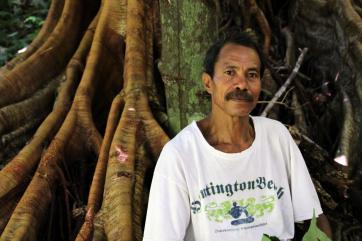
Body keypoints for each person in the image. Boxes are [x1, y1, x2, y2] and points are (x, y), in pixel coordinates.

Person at [143, 31, 332, 241]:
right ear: (208, 83)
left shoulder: (277, 137)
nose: (242, 84)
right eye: (230, 72)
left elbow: (315, 219)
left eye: (251, 75)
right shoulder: (180, 155)